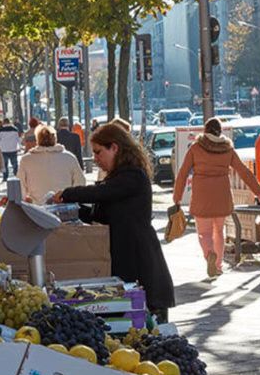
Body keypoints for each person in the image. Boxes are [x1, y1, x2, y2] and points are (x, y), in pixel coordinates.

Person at [55, 123, 175, 318]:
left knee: (147, 324)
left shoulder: (133, 176)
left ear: (114, 148)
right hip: (124, 258)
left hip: (140, 262)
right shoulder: (118, 177)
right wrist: (68, 213)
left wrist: (68, 194)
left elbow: (100, 193)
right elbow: (100, 215)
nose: (95, 159)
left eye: (98, 152)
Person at [173, 118, 260, 278]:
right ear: (220, 131)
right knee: (219, 231)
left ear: (205, 130)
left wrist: (177, 197)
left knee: (204, 233)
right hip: (222, 194)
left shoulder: (196, 147)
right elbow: (243, 171)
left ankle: (209, 255)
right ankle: (218, 266)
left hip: (202, 195)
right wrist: (259, 191)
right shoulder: (227, 149)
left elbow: (183, 173)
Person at [18, 124, 86, 204]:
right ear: (55, 139)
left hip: (37, 209)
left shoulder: (26, 160)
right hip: (63, 207)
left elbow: (20, 185)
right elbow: (80, 182)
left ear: (37, 140)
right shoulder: (69, 157)